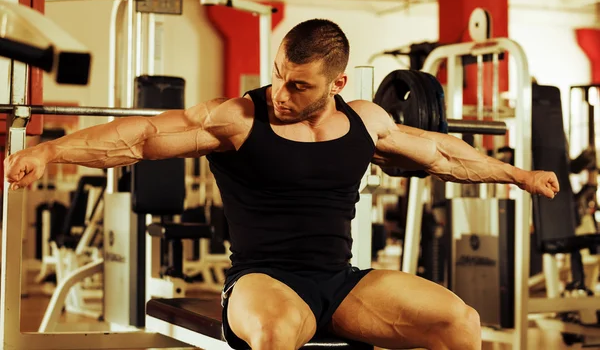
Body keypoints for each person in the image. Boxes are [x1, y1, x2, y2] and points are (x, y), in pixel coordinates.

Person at [5, 19, 558, 350]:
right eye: (276, 74)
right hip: (261, 280)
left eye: (297, 85)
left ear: (338, 83)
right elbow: (142, 136)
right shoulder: (239, 118)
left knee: (458, 321)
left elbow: (443, 152)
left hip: (342, 283)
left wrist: (521, 176)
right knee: (273, 334)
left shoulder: (367, 120)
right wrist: (51, 150)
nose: (279, 93)